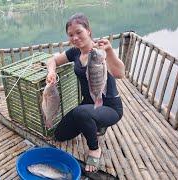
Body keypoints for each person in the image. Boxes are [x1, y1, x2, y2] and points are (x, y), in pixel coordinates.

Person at [46, 13, 124, 173]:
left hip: (110, 107)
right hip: (88, 104)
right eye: (71, 35)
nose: (75, 37)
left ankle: (95, 148)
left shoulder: (100, 52)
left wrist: (109, 51)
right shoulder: (74, 52)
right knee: (60, 134)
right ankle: (92, 122)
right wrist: (51, 72)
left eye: (79, 32)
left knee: (81, 112)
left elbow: (119, 73)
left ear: (88, 31)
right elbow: (52, 60)